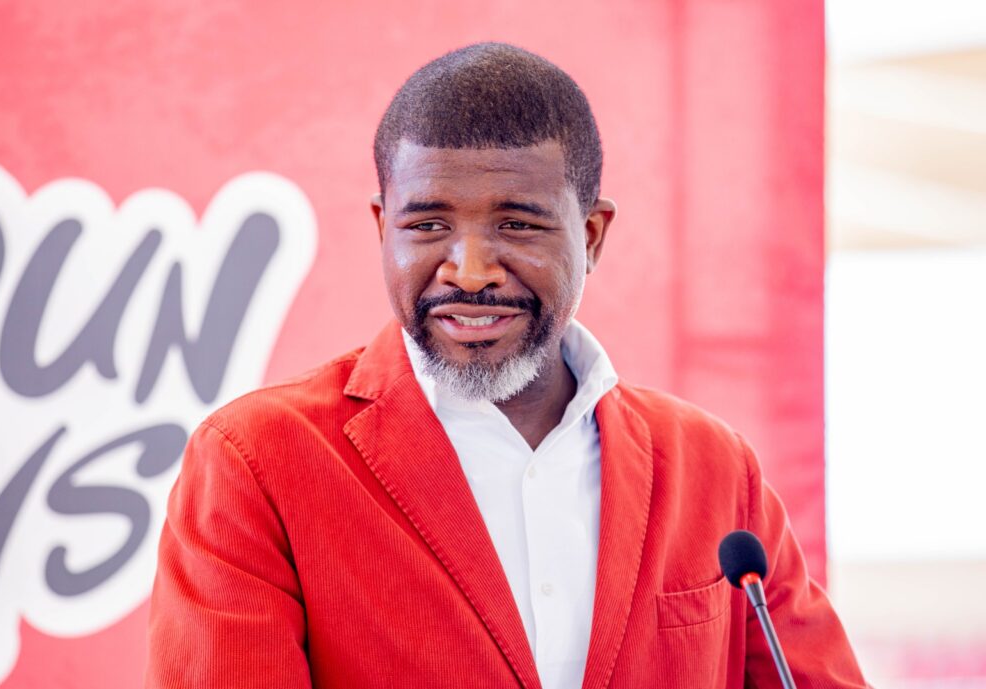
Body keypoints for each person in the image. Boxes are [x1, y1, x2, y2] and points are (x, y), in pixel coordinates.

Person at [146, 43, 867, 689]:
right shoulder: (256, 463)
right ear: (382, 227)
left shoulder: (714, 468)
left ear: (591, 235)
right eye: (428, 225)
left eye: (517, 224)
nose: (469, 270)